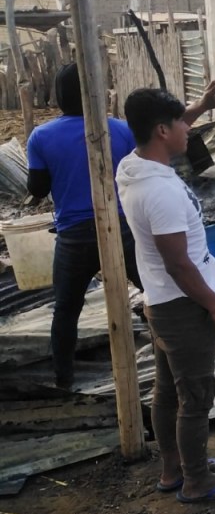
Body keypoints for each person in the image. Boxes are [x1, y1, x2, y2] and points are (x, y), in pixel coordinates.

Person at [116, 83, 215, 504]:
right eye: (180, 122)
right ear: (162, 130)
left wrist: (201, 106)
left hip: (160, 301)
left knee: (167, 392)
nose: (188, 128)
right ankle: (197, 481)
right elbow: (178, 263)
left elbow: (172, 129)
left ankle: (173, 468)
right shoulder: (160, 192)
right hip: (183, 306)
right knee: (195, 396)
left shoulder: (134, 166)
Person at [26, 62, 144, 390]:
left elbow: (37, 189)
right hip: (122, 229)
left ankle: (63, 379)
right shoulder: (122, 130)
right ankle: (172, 350)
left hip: (74, 237)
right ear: (96, 93)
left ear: (59, 95)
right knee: (155, 291)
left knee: (66, 309)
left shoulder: (41, 136)